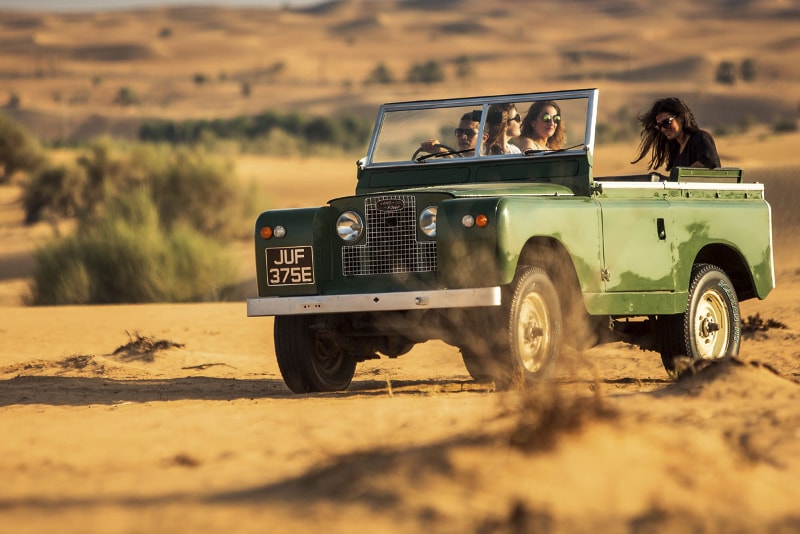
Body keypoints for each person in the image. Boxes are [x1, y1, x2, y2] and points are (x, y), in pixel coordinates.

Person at [631, 97, 720, 170]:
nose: (663, 129)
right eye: (659, 126)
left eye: (666, 122)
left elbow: (709, 163)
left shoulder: (700, 138)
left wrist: (681, 175)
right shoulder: (675, 148)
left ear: (681, 118)